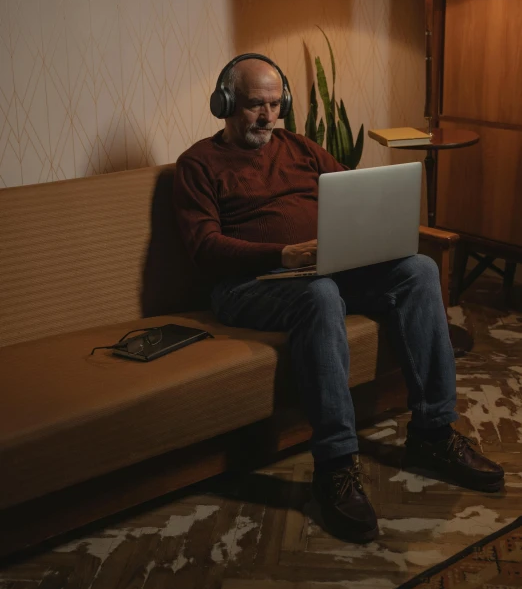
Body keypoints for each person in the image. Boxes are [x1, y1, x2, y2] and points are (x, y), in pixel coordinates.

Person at [173, 54, 504, 543]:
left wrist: (367, 238)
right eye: (252, 106)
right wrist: (281, 254)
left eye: (274, 104)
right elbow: (203, 248)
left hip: (321, 270)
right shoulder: (198, 164)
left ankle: (432, 435)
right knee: (321, 294)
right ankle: (334, 467)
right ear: (223, 104)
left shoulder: (300, 148)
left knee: (418, 269)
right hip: (248, 286)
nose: (267, 117)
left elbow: (353, 194)